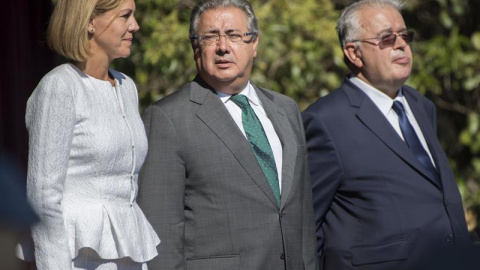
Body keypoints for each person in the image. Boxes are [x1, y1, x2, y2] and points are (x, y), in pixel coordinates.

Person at [137, 0, 318, 269]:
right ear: (194, 46)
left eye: (234, 35)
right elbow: (159, 233)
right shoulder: (168, 118)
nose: (223, 46)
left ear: (253, 43)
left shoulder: (286, 109)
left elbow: (301, 215)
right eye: (210, 36)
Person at [302, 0, 472, 269]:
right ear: (354, 53)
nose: (401, 44)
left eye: (405, 36)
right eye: (386, 38)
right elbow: (306, 227)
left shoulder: (421, 106)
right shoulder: (325, 121)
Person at [15, 0, 160, 269]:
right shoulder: (59, 86)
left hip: (127, 257)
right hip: (74, 258)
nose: (135, 26)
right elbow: (43, 198)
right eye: (125, 16)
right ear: (90, 22)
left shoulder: (127, 87)